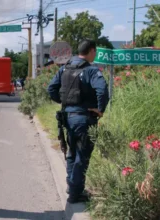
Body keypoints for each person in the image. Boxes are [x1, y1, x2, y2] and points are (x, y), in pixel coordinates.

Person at [47, 39, 110, 203]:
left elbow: (51, 89)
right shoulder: (91, 70)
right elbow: (102, 90)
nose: (94, 55)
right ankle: (75, 193)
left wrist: (65, 103)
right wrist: (100, 110)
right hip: (84, 119)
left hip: (68, 118)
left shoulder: (64, 68)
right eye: (94, 52)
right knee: (82, 156)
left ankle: (72, 186)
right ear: (91, 51)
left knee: (72, 153)